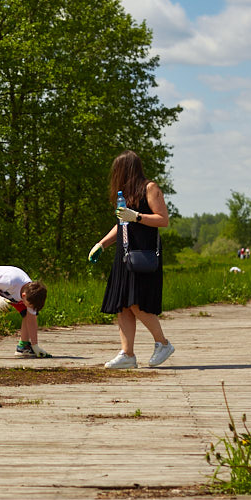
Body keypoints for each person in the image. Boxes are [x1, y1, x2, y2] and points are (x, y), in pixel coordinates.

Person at [87, 150, 175, 369]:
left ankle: (162, 343)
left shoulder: (150, 188)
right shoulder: (124, 194)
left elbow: (163, 219)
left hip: (143, 254)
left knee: (136, 302)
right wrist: (102, 244)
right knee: (123, 304)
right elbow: (121, 226)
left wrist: (136, 216)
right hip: (125, 255)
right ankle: (127, 354)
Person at [0, 266, 49, 359]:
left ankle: (23, 347)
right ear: (24, 296)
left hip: (6, 291)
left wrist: (35, 345)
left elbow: (31, 320)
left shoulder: (31, 296)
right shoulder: (9, 281)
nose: (29, 307)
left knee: (27, 313)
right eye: (29, 304)